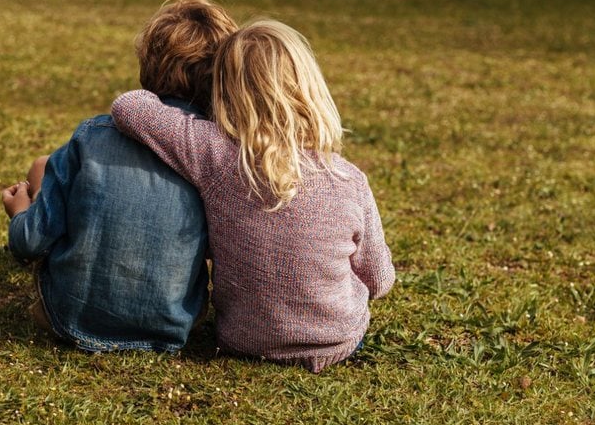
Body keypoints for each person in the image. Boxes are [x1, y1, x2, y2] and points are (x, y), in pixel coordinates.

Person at [110, 20, 395, 373]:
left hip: (243, 341)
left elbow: (129, 106)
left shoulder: (214, 153)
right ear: (311, 89)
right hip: (337, 341)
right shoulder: (349, 179)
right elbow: (379, 280)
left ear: (224, 93)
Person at [1, 0, 237, 352]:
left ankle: (36, 194)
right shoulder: (218, 156)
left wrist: (19, 211)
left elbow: (29, 242)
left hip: (68, 319)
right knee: (46, 168)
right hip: (173, 328)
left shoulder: (93, 135)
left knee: (44, 169)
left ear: (147, 63)